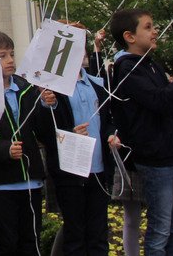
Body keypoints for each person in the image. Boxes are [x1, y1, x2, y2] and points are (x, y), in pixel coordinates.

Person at [109, 8, 173, 256]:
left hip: (171, 155)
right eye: (148, 27)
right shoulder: (127, 69)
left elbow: (171, 104)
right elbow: (158, 100)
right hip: (155, 157)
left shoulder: (151, 65)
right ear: (129, 36)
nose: (155, 32)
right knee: (161, 229)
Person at [35, 29, 119, 256]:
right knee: (75, 234)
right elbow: (43, 132)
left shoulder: (95, 83)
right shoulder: (51, 89)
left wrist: (111, 134)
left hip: (98, 169)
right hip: (70, 172)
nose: (81, 51)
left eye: (82, 45)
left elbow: (109, 118)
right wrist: (53, 113)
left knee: (99, 232)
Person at [0, 29, 46, 256]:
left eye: (11, 54)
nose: (10, 60)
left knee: (31, 243)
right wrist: (4, 149)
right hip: (0, 182)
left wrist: (47, 105)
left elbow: (42, 132)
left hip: (31, 180)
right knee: (5, 243)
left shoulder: (26, 89)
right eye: (2, 55)